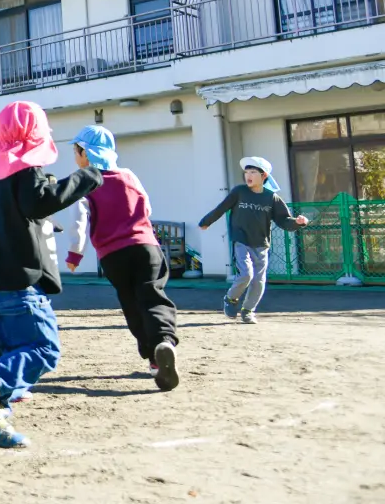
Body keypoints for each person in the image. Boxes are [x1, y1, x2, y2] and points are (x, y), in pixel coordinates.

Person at [0, 101, 102, 448]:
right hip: (22, 287)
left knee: (9, 353)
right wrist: (89, 176)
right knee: (44, 349)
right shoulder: (27, 173)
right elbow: (40, 202)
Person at [65, 126, 180, 391]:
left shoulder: (86, 180)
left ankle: (153, 358)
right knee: (153, 295)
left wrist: (75, 253)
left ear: (86, 153)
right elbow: (146, 205)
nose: (75, 156)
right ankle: (164, 341)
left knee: (131, 302)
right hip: (146, 246)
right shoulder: (128, 175)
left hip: (113, 255)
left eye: (76, 151)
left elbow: (79, 221)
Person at [199, 156, 308, 324]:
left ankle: (248, 310)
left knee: (258, 280)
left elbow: (284, 220)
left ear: (264, 176)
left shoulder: (271, 198)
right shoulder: (239, 192)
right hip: (241, 239)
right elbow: (221, 208)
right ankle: (231, 298)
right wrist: (206, 222)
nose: (248, 175)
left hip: (261, 243)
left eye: (253, 172)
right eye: (246, 172)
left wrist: (298, 223)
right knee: (246, 274)